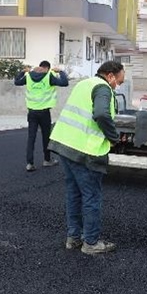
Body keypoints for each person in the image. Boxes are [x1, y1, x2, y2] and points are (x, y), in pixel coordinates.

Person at [49, 60, 124, 255]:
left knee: (74, 194)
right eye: (119, 81)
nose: (118, 85)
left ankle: (73, 238)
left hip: (65, 144)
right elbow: (101, 114)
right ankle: (90, 242)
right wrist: (114, 137)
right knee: (91, 196)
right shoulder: (103, 88)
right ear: (110, 76)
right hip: (85, 150)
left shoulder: (84, 83)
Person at [14, 60, 69, 172]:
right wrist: (61, 71)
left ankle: (29, 163)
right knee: (46, 137)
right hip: (44, 112)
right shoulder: (49, 76)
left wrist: (22, 71)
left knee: (31, 137)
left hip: (32, 112)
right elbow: (64, 82)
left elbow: (17, 82)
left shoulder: (28, 76)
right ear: (48, 68)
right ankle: (47, 160)